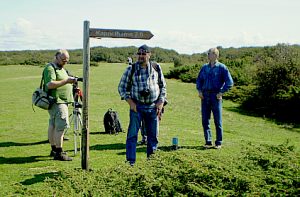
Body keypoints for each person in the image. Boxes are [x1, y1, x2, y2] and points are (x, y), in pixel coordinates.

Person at [118, 44, 167, 166]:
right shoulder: (131, 69)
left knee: (153, 136)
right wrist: (130, 102)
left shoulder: (156, 67)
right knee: (132, 135)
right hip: (137, 107)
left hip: (153, 107)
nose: (140, 56)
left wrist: (161, 102)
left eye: (143, 54)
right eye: (139, 54)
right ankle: (130, 162)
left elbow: (163, 86)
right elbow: (121, 88)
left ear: (149, 55)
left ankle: (152, 162)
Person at [196, 48, 233, 149]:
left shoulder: (222, 68)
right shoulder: (204, 68)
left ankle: (218, 142)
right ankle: (208, 142)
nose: (208, 55)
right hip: (205, 96)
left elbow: (229, 82)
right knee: (205, 120)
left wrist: (221, 92)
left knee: (218, 120)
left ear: (215, 55)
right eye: (208, 53)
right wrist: (199, 91)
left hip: (216, 96)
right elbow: (199, 80)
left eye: (209, 54)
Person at [43, 49, 77, 161]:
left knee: (53, 125)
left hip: (61, 101)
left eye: (66, 61)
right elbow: (50, 84)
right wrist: (67, 81)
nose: (64, 62)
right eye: (63, 60)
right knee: (60, 127)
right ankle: (59, 152)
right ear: (56, 57)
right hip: (57, 102)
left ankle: (54, 149)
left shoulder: (61, 68)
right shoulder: (50, 68)